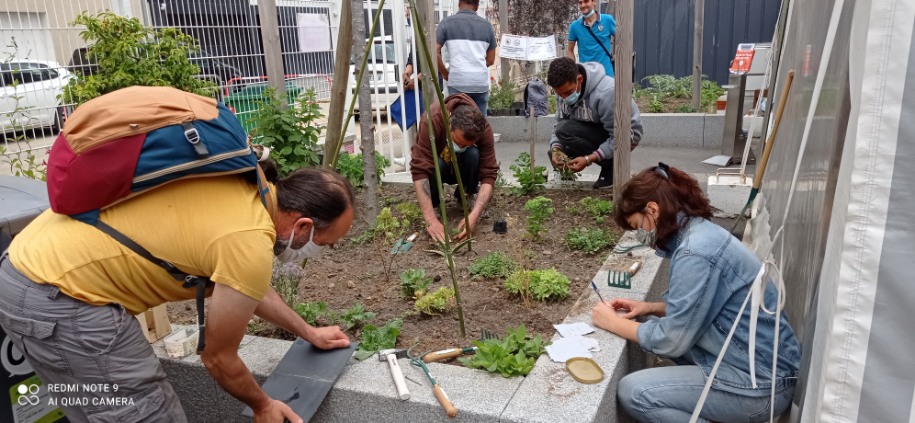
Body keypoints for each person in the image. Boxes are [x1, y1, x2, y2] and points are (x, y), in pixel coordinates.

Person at [0, 165, 356, 423]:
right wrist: (264, 405)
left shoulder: (248, 185)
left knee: (93, 406)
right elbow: (218, 359)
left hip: (23, 268)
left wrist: (307, 332)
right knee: (147, 413)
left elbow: (247, 289)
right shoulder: (248, 239)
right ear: (303, 225)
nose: (317, 250)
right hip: (63, 300)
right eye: (323, 244)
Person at [591, 163, 801, 423]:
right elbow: (704, 304)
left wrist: (610, 322)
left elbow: (672, 340)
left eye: (638, 226)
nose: (641, 235)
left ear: (653, 210)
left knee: (635, 391)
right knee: (647, 323)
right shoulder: (701, 233)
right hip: (765, 366)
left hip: (762, 385)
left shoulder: (695, 252)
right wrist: (648, 308)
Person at [410, 93, 498, 242]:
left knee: (474, 155)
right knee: (433, 163)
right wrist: (430, 219)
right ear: (449, 123)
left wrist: (475, 215)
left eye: (465, 145)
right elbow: (419, 170)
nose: (460, 146)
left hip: (464, 167)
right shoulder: (432, 120)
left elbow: (489, 174)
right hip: (440, 168)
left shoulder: (484, 129)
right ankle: (435, 203)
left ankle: (466, 195)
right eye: (458, 141)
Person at [546, 57, 643, 189]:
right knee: (557, 146)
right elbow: (559, 122)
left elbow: (620, 137)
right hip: (595, 130)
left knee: (566, 129)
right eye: (559, 94)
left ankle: (611, 167)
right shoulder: (563, 89)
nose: (564, 98)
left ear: (579, 79)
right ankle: (568, 171)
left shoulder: (606, 92)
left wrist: (588, 159)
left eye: (568, 92)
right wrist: (556, 149)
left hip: (625, 137)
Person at [435, 0, 496, 116]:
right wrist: (476, 65)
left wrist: (445, 74)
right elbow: (491, 59)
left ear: (459, 3)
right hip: (479, 84)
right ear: (477, 6)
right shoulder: (487, 26)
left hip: (457, 83)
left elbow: (434, 51)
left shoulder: (446, 23)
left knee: (459, 125)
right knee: (480, 124)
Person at [566, 0, 617, 77]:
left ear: (594, 2)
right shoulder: (574, 26)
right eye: (580, 3)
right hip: (587, 77)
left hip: (606, 75)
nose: (583, 5)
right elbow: (570, 50)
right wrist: (574, 71)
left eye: (586, 1)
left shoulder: (607, 20)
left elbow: (621, 38)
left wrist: (617, 54)